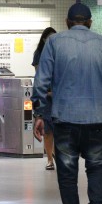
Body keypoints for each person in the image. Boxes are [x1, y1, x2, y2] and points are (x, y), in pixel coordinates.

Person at [32, 3, 102, 204]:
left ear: (67, 21)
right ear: (91, 22)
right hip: (97, 119)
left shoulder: (54, 43)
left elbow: (41, 83)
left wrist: (40, 114)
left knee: (67, 174)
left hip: (65, 119)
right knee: (96, 166)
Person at [32, 27, 57, 170]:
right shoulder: (39, 54)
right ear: (43, 40)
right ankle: (49, 159)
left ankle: (57, 155)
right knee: (48, 130)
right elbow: (39, 77)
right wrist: (46, 93)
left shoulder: (61, 52)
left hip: (59, 97)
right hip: (46, 98)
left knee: (60, 130)